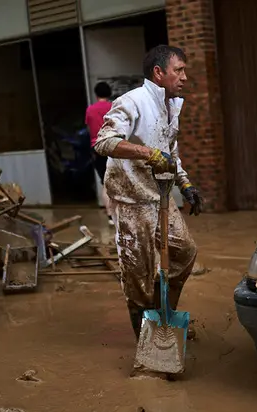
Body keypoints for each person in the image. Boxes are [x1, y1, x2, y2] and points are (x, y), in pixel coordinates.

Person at [94, 45, 203, 341]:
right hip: (131, 201)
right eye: (178, 70)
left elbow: (171, 152)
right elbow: (103, 142)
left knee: (185, 252)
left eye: (184, 70)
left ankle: (163, 316)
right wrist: (147, 153)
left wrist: (185, 184)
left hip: (161, 198)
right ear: (159, 72)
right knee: (137, 275)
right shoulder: (133, 102)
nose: (184, 76)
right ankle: (146, 338)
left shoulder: (172, 105)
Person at [85, 82, 115, 225]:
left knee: (105, 182)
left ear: (96, 94)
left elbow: (90, 129)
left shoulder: (90, 110)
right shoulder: (114, 107)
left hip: (97, 147)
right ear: (109, 93)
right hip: (114, 146)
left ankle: (110, 216)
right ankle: (121, 213)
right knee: (120, 179)